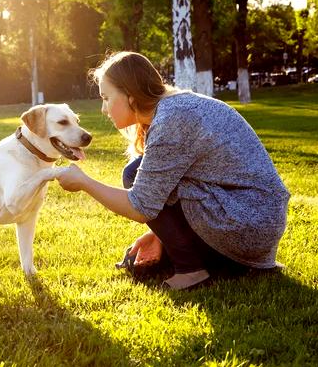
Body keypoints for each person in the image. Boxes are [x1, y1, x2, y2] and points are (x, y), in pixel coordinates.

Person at [55, 52, 290, 290]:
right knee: (137, 170)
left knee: (133, 174)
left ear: (130, 95)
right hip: (251, 219)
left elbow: (141, 206)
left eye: (106, 97)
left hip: (247, 224)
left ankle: (191, 271)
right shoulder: (174, 108)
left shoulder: (172, 120)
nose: (104, 109)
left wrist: (84, 182)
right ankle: (203, 259)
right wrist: (163, 237)